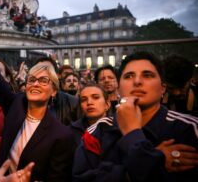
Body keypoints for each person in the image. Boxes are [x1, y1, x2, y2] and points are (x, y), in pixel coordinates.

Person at [0, 2, 76, 181]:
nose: (35, 84)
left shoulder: (62, 135)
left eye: (43, 80)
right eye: (31, 79)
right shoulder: (16, 104)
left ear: (54, 91)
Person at [72, 51, 198, 181]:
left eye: (148, 75)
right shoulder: (98, 130)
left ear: (162, 88)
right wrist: (152, 161)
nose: (137, 81)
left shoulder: (189, 128)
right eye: (129, 76)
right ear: (119, 88)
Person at [34, 57, 82, 125]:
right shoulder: (23, 102)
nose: (42, 74)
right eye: (38, 70)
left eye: (47, 70)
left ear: (56, 75)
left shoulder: (73, 103)